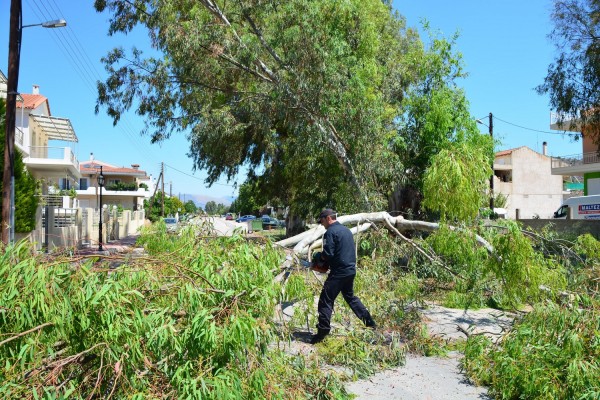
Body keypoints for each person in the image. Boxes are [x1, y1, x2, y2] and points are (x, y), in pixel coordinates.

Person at [310, 209, 376, 344]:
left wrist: (318, 257)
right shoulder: (346, 231)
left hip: (339, 272)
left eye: (322, 221)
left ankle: (322, 331)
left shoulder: (330, 232)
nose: (322, 225)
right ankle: (370, 323)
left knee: (325, 300)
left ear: (328, 218)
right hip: (350, 270)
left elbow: (328, 254)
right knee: (351, 298)